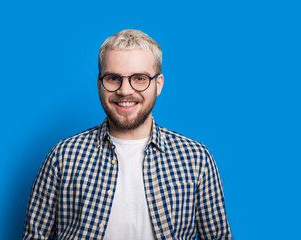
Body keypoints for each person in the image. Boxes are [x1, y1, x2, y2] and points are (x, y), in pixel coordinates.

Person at [22, 29, 232, 240]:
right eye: (113, 78)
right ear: (99, 84)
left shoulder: (195, 159)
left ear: (158, 84)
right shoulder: (64, 156)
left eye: (139, 78)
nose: (124, 90)